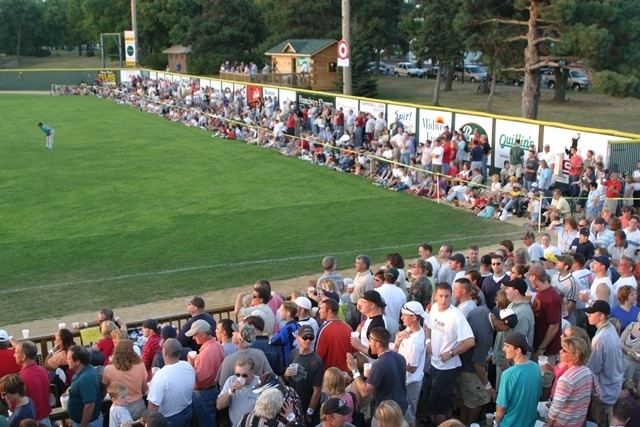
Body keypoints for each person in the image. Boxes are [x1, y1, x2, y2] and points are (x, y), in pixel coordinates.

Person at [425, 282, 475, 425]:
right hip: (434, 364)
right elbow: (428, 325)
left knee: (441, 407)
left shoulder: (456, 316)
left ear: (451, 296)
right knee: (433, 403)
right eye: (440, 296)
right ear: (435, 296)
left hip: (447, 368)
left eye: (447, 296)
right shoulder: (434, 308)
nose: (444, 299)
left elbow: (470, 341)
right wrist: (428, 341)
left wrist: (452, 353)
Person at [346, 327, 408, 422]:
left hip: (386, 414)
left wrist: (354, 369)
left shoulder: (379, 365)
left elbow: (364, 392)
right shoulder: (400, 358)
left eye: (370, 339)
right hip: (401, 408)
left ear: (378, 343)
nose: (369, 343)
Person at [586, 300, 624, 426]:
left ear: (602, 316)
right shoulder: (610, 327)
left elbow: (592, 369)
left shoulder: (600, 339)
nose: (588, 315)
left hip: (605, 392)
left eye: (592, 313)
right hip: (614, 386)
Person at [546, 336, 598, 427]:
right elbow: (598, 393)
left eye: (564, 350)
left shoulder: (565, 379)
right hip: (580, 421)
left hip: (563, 423)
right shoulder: (588, 372)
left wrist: (549, 425)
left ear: (575, 355)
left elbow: (555, 409)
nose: (560, 351)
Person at [495, 332, 541, 427]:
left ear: (518, 350)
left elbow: (501, 407)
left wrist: (496, 422)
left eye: (507, 346)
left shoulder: (508, 374)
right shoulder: (536, 367)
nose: (504, 349)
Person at [184, 319, 224, 427]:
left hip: (204, 394)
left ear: (203, 334)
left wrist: (191, 363)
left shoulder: (206, 352)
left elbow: (198, 381)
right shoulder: (217, 344)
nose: (193, 338)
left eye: (195, 335)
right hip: (214, 389)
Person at [147, 339, 195, 426]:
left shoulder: (161, 375)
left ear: (164, 351)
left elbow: (153, 405)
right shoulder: (188, 366)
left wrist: (148, 422)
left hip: (170, 419)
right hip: (188, 410)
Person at [394, 301, 426, 427]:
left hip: (411, 382)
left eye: (404, 315)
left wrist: (396, 362)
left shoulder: (416, 342)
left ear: (413, 318)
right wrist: (398, 338)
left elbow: (412, 368)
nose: (401, 317)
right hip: (406, 380)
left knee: (409, 416)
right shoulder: (410, 329)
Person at [284, 325, 323, 425]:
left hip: (306, 406)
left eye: (311, 338)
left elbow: (317, 391)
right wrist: (286, 374)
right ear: (297, 338)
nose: (308, 340)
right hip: (292, 405)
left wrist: (309, 413)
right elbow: (287, 380)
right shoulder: (293, 354)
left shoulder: (316, 361)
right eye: (305, 337)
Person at [102, 340, 148, 420]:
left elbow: (105, 390)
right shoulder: (141, 365)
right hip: (138, 406)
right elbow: (144, 390)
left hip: (119, 408)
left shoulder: (108, 369)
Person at [13, 341, 51, 426]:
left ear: (23, 356)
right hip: (46, 419)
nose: (14, 355)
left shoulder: (22, 378)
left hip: (32, 423)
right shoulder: (43, 371)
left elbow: (18, 404)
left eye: (16, 353)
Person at [66, 346, 103, 427]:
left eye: (69, 359)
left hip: (89, 423)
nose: (66, 361)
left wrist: (83, 425)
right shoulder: (85, 369)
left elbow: (89, 405)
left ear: (78, 361)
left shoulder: (86, 379)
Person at [217, 358, 260, 427]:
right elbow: (219, 406)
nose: (241, 378)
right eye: (237, 375)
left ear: (252, 372)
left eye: (244, 375)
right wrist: (230, 392)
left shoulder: (260, 383)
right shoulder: (231, 380)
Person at [315, 298, 354, 373]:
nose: (319, 311)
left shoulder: (323, 330)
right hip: (347, 375)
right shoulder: (349, 328)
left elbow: (318, 357)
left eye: (321, 308)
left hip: (330, 376)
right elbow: (354, 353)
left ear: (329, 311)